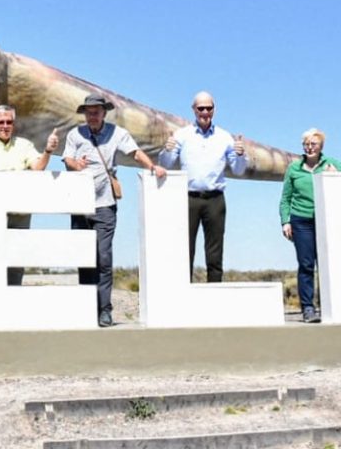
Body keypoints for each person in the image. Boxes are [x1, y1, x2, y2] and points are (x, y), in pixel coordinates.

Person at [61, 93, 166, 327]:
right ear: (84, 114)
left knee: (104, 256)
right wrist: (75, 164)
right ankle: (86, 308)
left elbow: (134, 152)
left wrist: (153, 167)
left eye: (96, 112)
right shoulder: (74, 134)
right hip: (79, 204)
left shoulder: (117, 133)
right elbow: (67, 158)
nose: (92, 116)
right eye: (89, 112)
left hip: (105, 204)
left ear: (104, 113)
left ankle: (105, 310)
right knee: (84, 257)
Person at [156, 91, 247, 282]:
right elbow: (166, 164)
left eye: (209, 108)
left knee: (214, 253)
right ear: (193, 110)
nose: (205, 112)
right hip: (188, 198)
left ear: (214, 109)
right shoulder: (182, 135)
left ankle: (214, 294)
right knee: (185, 250)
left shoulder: (225, 137)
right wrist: (167, 149)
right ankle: (184, 294)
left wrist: (240, 154)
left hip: (215, 199)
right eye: (201, 108)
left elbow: (238, 170)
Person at [0, 104, 59, 285]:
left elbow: (38, 167)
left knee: (16, 259)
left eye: (9, 122)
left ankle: (13, 300)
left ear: (13, 125)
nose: (5, 126)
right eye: (1, 122)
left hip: (19, 212)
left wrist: (48, 151)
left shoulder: (24, 145)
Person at [278, 128, 341, 322]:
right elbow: (286, 198)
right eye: (306, 144)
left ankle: (329, 306)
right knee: (306, 264)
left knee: (327, 264)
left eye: (313, 144)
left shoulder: (331, 163)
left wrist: (337, 175)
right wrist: (285, 221)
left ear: (321, 146)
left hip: (326, 219)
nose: (309, 147)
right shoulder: (294, 168)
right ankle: (308, 308)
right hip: (301, 221)